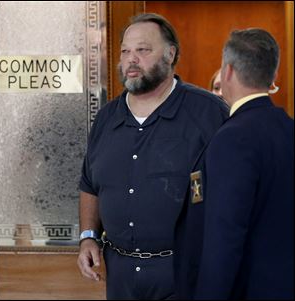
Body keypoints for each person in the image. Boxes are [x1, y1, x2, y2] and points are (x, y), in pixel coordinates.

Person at [77, 13, 228, 300]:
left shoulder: (209, 112)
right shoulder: (106, 117)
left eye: (143, 50)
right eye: (125, 51)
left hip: (185, 271)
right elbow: (89, 184)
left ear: (170, 54)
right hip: (119, 274)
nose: (131, 59)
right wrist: (88, 237)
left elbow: (238, 188)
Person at [174, 28, 294, 300]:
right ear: (273, 76)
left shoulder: (233, 138)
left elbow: (224, 237)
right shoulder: (288, 129)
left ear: (227, 71)